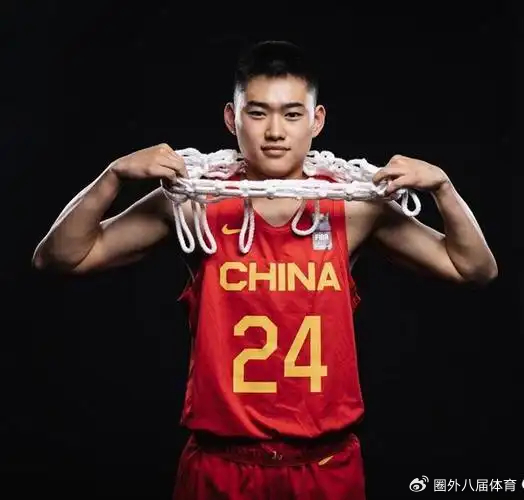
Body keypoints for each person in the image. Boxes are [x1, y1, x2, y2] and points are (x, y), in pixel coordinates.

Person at [32, 40, 498, 499]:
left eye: (292, 114)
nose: (275, 131)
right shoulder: (194, 202)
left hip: (324, 465)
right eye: (257, 113)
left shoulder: (354, 208)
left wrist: (444, 188)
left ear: (316, 120)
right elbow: (60, 256)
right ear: (231, 118)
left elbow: (474, 268)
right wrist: (112, 176)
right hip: (221, 464)